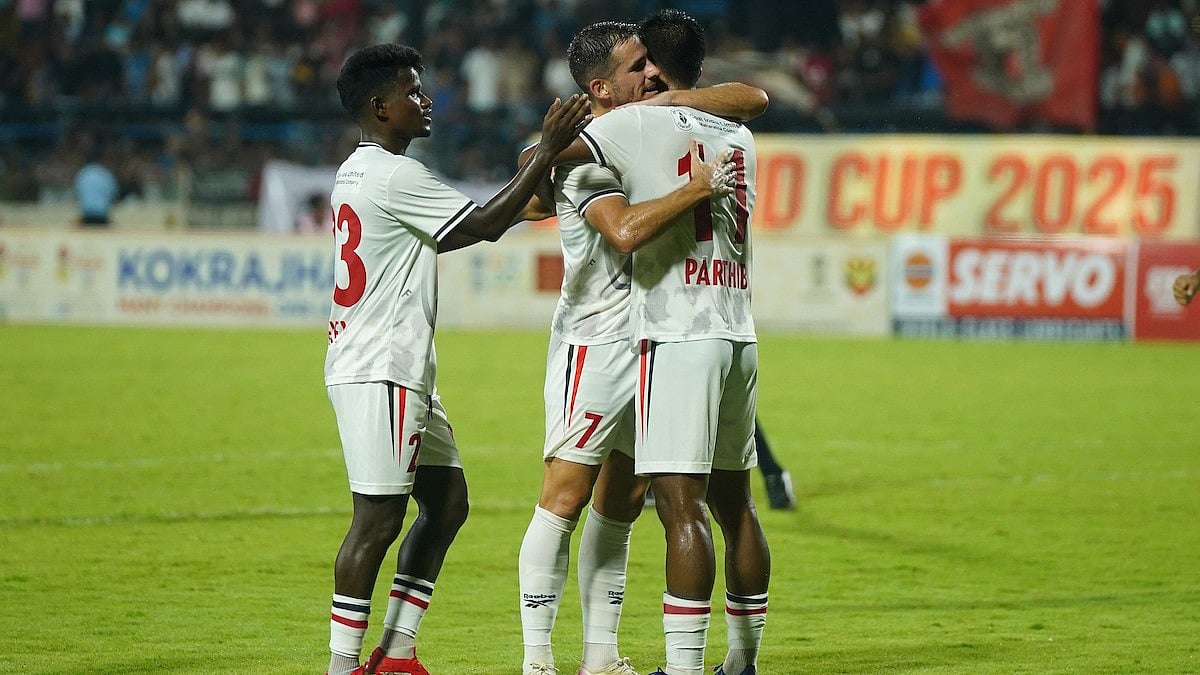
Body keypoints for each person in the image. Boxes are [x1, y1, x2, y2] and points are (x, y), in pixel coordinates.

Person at [322, 43, 589, 675]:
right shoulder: (395, 174)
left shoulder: (358, 170)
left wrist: (534, 194)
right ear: (380, 106)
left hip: (393, 365)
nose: (426, 100)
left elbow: (489, 217)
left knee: (447, 505)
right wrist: (546, 152)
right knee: (377, 519)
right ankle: (341, 666)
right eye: (413, 92)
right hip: (381, 366)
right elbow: (485, 226)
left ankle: (397, 653)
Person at [516, 20, 767, 675]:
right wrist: (539, 165)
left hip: (660, 341)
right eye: (637, 68)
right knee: (565, 494)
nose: (651, 75)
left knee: (623, 502)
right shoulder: (599, 140)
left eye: (654, 64)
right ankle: (537, 660)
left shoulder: (654, 123)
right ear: (600, 86)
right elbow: (534, 164)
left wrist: (663, 102)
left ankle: (600, 653)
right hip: (597, 341)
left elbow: (748, 97)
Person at [74, 145, 118, 227]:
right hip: (102, 218)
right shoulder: (106, 174)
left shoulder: (82, 174)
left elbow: (77, 195)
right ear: (101, 160)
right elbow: (113, 196)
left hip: (86, 217)